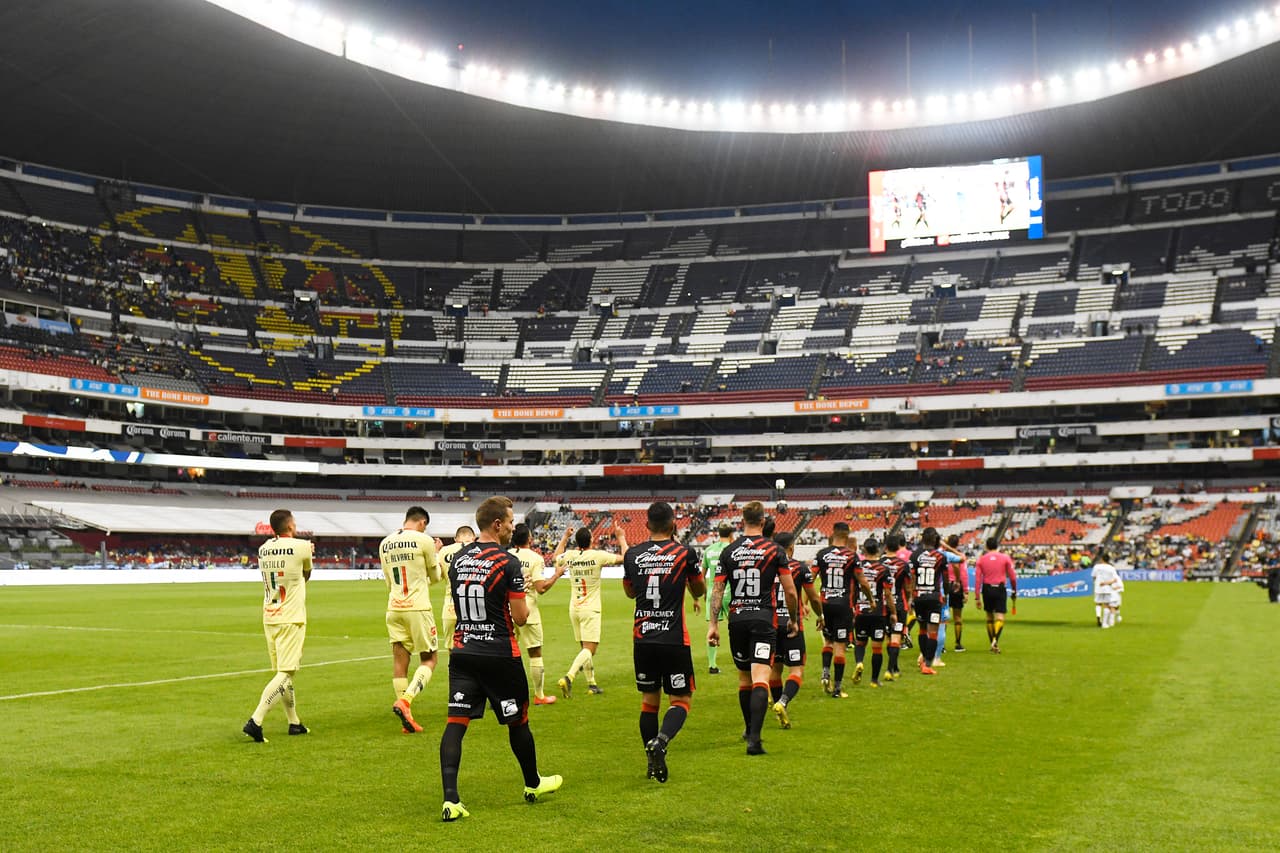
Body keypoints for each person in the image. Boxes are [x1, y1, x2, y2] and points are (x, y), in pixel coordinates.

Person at [439, 496, 561, 822]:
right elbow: (520, 618)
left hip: (463, 651)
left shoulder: (459, 559)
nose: (512, 527)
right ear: (497, 524)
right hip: (499, 653)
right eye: (509, 522)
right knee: (518, 721)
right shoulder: (508, 563)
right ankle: (533, 783)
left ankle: (451, 800)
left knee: (455, 723)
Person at [621, 501, 704, 783]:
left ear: (646, 525)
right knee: (680, 699)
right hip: (673, 638)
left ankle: (650, 758)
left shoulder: (632, 554)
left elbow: (630, 592)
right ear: (672, 525)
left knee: (649, 701)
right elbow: (699, 589)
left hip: (643, 637)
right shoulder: (684, 553)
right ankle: (662, 741)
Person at [708, 501, 796, 755]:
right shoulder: (775, 550)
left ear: (742, 520)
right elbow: (789, 591)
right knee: (760, 678)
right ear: (763, 520)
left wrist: (713, 624)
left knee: (744, 678)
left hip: (737, 619)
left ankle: (748, 728)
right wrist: (793, 619)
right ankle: (754, 740)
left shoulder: (730, 551)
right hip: (763, 619)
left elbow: (718, 591)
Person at [243, 509, 313, 743]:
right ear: (290, 526)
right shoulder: (302, 547)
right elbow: (306, 575)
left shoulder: (263, 549)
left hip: (270, 615)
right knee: (286, 672)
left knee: (283, 672)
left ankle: (294, 723)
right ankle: (256, 720)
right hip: (290, 617)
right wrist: (307, 552)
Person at [380, 505, 442, 734]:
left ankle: (407, 718)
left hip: (394, 607)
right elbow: (435, 577)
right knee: (430, 659)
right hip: (417, 607)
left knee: (400, 662)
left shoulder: (385, 543)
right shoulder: (423, 540)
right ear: (423, 523)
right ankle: (406, 701)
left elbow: (388, 581)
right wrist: (435, 554)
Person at [551, 524, 627, 697]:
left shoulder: (570, 555)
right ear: (592, 540)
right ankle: (568, 677)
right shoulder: (598, 556)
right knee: (590, 649)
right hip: (590, 609)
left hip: (574, 609)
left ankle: (592, 684)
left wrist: (564, 537)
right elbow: (624, 557)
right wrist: (621, 537)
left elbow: (556, 557)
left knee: (584, 649)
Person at [769, 531, 824, 728]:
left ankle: (778, 706)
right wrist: (820, 616)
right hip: (792, 624)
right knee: (796, 669)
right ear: (792, 547)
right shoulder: (800, 568)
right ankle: (782, 702)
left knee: (775, 670)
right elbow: (814, 597)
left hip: (771, 624)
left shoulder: (766, 566)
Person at [816, 524, 874, 697]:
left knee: (828, 641)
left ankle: (826, 673)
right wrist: (870, 599)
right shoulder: (851, 556)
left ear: (832, 533)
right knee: (840, 647)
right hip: (844, 605)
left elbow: (810, 579)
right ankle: (837, 688)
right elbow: (863, 582)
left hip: (825, 603)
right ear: (847, 535)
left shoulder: (821, 554)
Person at [510, 522, 557, 706]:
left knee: (507, 653)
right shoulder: (535, 558)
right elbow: (541, 588)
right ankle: (539, 695)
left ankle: (503, 693)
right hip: (528, 610)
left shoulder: (507, 556)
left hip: (507, 609)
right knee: (535, 653)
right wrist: (556, 575)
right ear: (529, 539)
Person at [853, 537, 896, 688]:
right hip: (878, 612)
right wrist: (893, 613)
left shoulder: (858, 567)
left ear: (863, 550)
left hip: (861, 611)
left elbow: (853, 590)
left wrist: (852, 608)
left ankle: (859, 663)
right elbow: (888, 594)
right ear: (878, 550)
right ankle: (874, 680)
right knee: (877, 648)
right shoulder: (883, 569)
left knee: (860, 642)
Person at [909, 527, 948, 675]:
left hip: (919, 597)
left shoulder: (915, 555)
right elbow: (945, 580)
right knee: (933, 632)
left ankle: (923, 658)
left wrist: (911, 597)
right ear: (935, 540)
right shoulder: (940, 557)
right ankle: (927, 664)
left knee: (922, 629)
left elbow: (911, 579)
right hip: (933, 598)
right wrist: (946, 596)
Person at [974, 537, 1018, 652]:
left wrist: (977, 597)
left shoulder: (981, 560)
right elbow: (1012, 576)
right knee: (1000, 617)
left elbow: (978, 579)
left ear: (986, 547)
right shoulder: (1005, 558)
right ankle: (995, 640)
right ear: (997, 546)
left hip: (987, 589)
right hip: (1000, 588)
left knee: (989, 617)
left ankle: (993, 643)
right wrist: (1014, 590)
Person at [701, 524, 734, 674]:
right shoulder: (734, 549)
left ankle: (712, 665)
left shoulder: (709, 550)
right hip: (730, 592)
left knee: (713, 628)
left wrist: (704, 593)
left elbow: (701, 575)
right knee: (737, 625)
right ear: (731, 534)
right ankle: (742, 658)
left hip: (712, 593)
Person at [881, 533, 914, 680]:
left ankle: (894, 667)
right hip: (899, 604)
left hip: (882, 605)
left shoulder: (879, 563)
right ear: (899, 547)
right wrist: (908, 600)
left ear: (886, 546)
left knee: (888, 636)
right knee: (896, 637)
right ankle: (890, 669)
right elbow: (907, 588)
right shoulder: (903, 565)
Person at [437, 525, 476, 648]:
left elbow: (434, 578)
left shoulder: (444, 551)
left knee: (452, 649)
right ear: (474, 537)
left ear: (455, 538)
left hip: (451, 607)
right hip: (475, 608)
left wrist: (436, 553)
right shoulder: (480, 550)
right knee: (474, 649)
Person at [941, 533, 969, 654]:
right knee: (957, 617)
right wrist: (966, 591)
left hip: (945, 586)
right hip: (956, 586)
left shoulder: (943, 555)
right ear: (957, 543)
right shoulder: (960, 556)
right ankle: (958, 644)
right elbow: (964, 574)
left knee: (944, 617)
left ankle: (942, 646)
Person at [1091, 550, 1120, 630]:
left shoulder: (1097, 566)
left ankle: (1098, 617)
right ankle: (1104, 623)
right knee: (1106, 605)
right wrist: (1106, 583)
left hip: (1098, 588)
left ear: (1102, 559)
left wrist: (1096, 582)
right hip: (1107, 589)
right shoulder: (1111, 568)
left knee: (1098, 604)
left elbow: (1093, 576)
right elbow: (1115, 579)